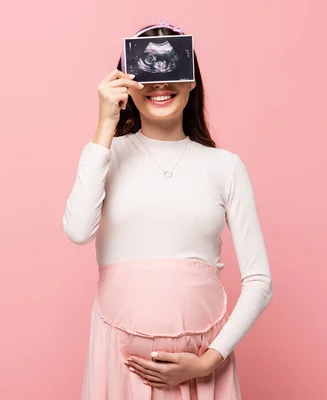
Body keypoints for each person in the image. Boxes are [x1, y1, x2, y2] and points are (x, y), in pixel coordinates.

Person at [62, 21, 273, 400]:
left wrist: (209, 360)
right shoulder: (105, 155)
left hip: (202, 369)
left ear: (192, 80)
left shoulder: (225, 167)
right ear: (128, 84)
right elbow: (78, 230)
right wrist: (105, 123)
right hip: (118, 363)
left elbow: (259, 281)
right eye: (146, 72)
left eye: (172, 69)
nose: (160, 84)